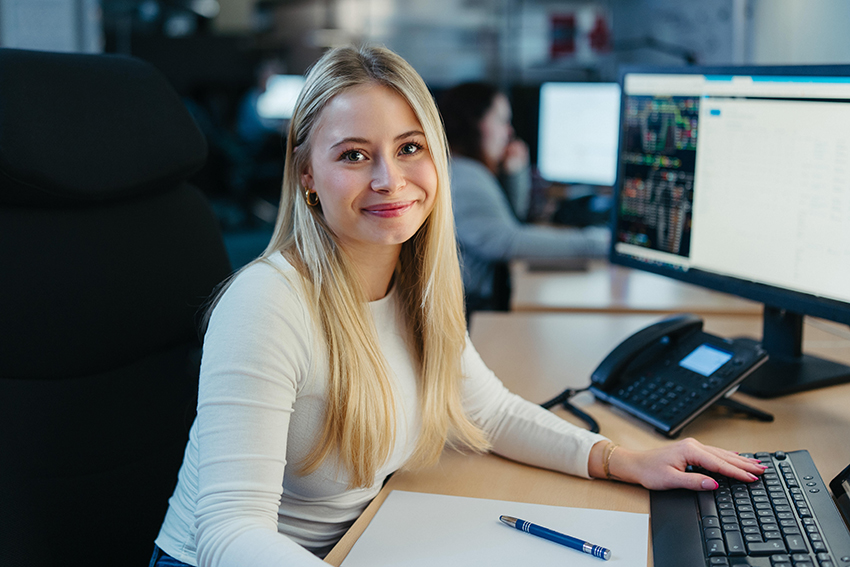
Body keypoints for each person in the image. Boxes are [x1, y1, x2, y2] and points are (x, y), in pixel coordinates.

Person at [151, 45, 767, 567]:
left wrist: (623, 461)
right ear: (307, 173)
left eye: (410, 147)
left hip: (359, 540)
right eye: (353, 155)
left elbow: (489, 412)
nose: (390, 179)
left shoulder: (417, 281)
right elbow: (229, 533)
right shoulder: (267, 303)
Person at [439, 82, 610, 313]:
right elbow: (508, 242)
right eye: (501, 120)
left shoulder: (464, 170)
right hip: (470, 310)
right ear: (474, 123)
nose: (509, 132)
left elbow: (507, 222)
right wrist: (596, 244)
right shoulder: (463, 177)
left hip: (473, 305)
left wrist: (515, 175)